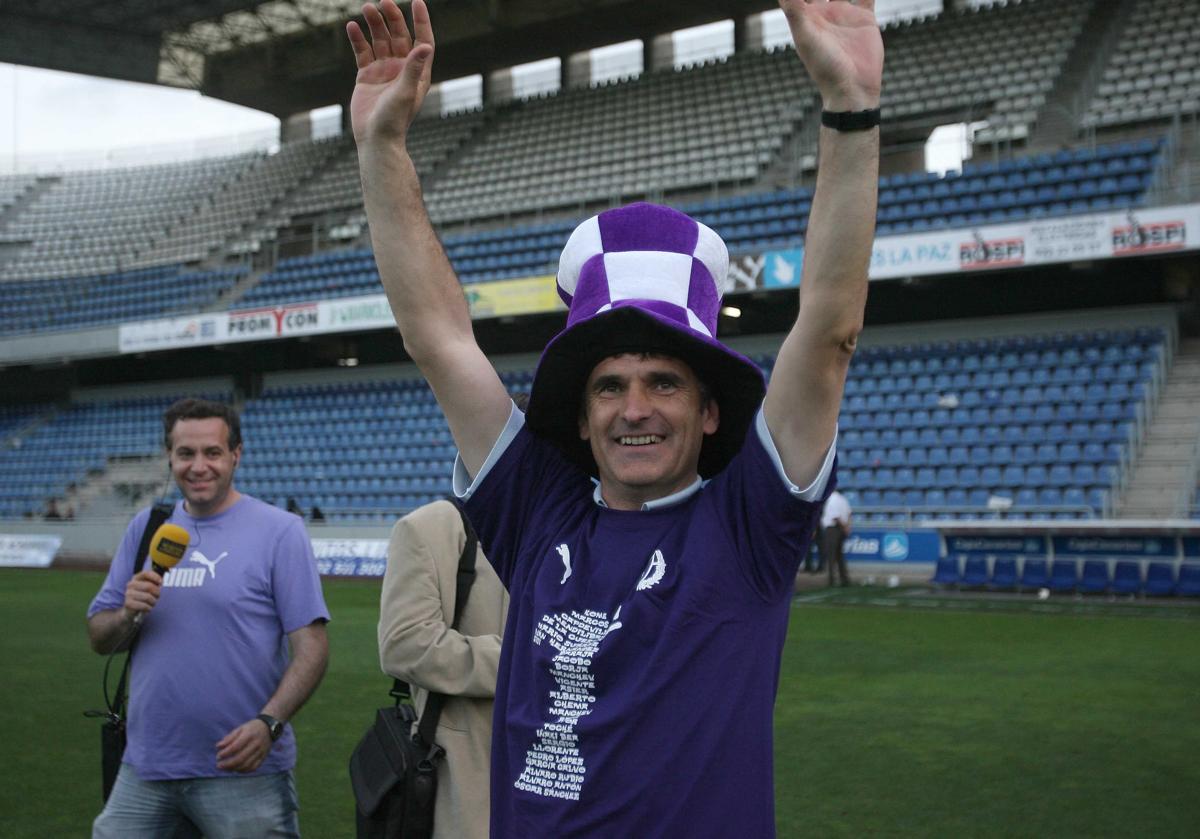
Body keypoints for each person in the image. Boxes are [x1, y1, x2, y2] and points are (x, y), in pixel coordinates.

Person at [346, 0, 880, 834]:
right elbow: (439, 338)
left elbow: (829, 331)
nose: (635, 409)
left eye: (665, 382)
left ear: (709, 412)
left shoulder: (749, 525)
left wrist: (850, 113)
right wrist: (381, 150)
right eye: (609, 385)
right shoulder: (539, 510)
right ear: (582, 412)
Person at [86, 398, 330, 838]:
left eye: (212, 453)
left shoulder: (280, 531)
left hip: (243, 772)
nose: (199, 466)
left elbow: (311, 649)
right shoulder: (147, 528)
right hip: (146, 766)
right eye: (186, 454)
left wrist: (269, 723)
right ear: (169, 457)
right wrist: (127, 613)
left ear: (236, 454)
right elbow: (100, 637)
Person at [378, 499, 509, 839]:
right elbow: (404, 644)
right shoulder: (433, 526)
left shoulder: (585, 523)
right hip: (469, 782)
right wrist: (523, 661)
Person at [819, 488, 853, 586]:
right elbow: (849, 513)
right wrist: (847, 527)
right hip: (841, 529)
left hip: (832, 529)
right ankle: (844, 579)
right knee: (840, 556)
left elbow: (835, 516)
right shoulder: (843, 499)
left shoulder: (832, 500)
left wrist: (844, 526)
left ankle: (831, 579)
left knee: (831, 555)